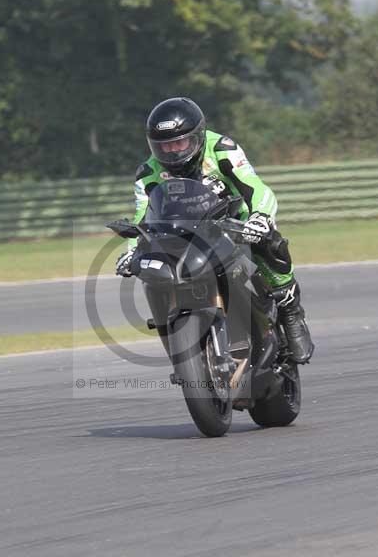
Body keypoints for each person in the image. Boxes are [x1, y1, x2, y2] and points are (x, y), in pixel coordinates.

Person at [116, 97, 314, 364]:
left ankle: (291, 313)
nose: (172, 152)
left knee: (270, 244)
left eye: (179, 143)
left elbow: (256, 187)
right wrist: (131, 251)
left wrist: (259, 218)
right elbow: (142, 217)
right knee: (151, 269)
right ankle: (177, 341)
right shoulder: (147, 172)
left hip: (234, 221)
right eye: (164, 146)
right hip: (181, 233)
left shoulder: (222, 149)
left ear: (197, 136)